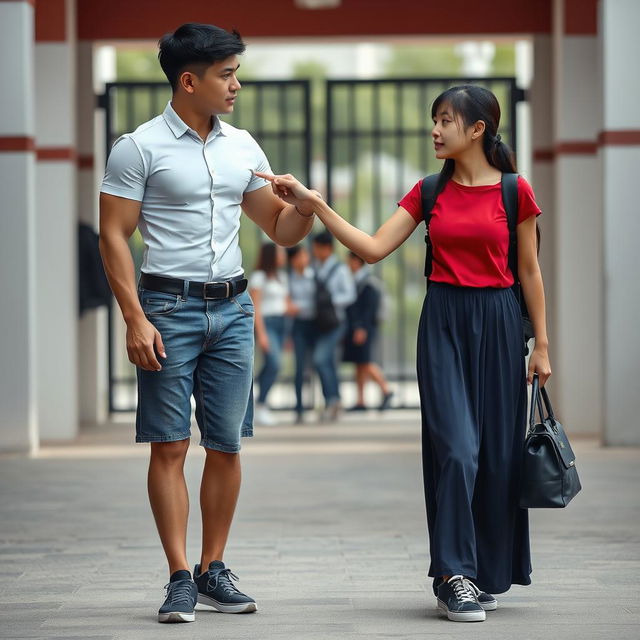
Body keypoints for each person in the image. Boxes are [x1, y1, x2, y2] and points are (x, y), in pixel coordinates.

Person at [257, 84, 551, 623]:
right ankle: (452, 575)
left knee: (494, 457)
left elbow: (528, 271)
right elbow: (369, 249)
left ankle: (483, 570)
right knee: (457, 450)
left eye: (445, 120)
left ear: (478, 128)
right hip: (443, 322)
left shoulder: (515, 192)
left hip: (501, 327)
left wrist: (542, 346)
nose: (435, 130)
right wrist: (318, 204)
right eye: (433, 120)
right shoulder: (428, 193)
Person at [99, 23, 316, 624]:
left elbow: (278, 228)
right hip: (167, 309)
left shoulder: (243, 146)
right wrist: (134, 319)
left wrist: (305, 209)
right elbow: (113, 236)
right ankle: (177, 577)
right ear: (188, 80)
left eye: (236, 72)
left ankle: (212, 567)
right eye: (226, 74)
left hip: (235, 309)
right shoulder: (138, 148)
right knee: (170, 445)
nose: (236, 85)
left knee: (225, 443)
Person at [310, 231, 356, 421]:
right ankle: (333, 401)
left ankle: (333, 400)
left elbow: (350, 295)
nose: (314, 252)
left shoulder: (340, 270)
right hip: (319, 323)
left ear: (326, 248)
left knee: (321, 359)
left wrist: (331, 301)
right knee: (327, 362)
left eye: (317, 248)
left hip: (336, 322)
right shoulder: (314, 268)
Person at [343, 251, 393, 412]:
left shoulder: (367, 283)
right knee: (359, 364)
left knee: (365, 362)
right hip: (360, 329)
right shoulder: (359, 280)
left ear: (356, 262)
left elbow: (367, 310)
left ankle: (386, 390)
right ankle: (360, 400)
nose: (348, 265)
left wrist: (361, 328)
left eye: (349, 261)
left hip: (364, 329)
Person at [249, 242, 290, 426]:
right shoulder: (259, 277)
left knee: (273, 365)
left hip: (282, 323)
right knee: (274, 363)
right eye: (280, 253)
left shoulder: (281, 277)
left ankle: (259, 403)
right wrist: (262, 334)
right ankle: (261, 404)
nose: (283, 256)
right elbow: (255, 307)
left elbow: (286, 304)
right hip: (267, 324)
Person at [286, 244, 316, 424]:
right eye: (299, 256)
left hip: (314, 325)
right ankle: (299, 408)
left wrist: (298, 306)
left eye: (305, 255)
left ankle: (323, 403)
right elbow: (287, 306)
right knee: (298, 368)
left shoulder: (314, 277)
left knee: (318, 363)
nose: (303, 259)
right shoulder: (288, 279)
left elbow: (317, 303)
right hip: (298, 326)